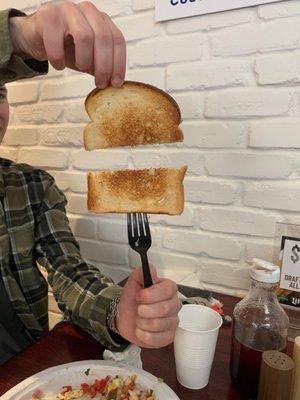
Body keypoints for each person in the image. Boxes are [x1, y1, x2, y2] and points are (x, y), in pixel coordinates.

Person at [0, 2, 181, 365]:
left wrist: (118, 313)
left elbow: (69, 272)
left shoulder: (34, 188)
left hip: (21, 372)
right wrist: (17, 35)